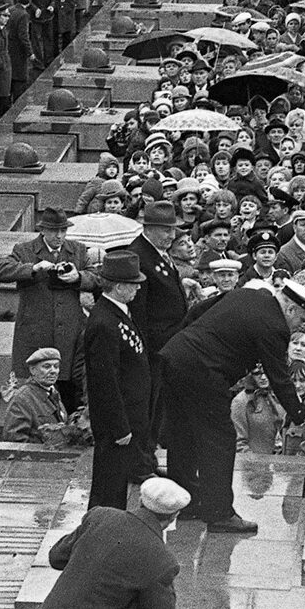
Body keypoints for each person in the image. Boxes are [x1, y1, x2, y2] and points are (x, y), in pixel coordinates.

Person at [159, 280, 305, 532]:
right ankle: (219, 513)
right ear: (292, 309)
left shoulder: (246, 295)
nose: (300, 326)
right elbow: (281, 380)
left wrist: (186, 342)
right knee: (219, 438)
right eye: (302, 318)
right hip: (204, 372)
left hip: (175, 357)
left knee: (182, 432)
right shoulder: (275, 326)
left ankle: (185, 502)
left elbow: (197, 311)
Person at [14, 477, 189, 609]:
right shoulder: (162, 559)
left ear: (140, 500)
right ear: (174, 516)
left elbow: (56, 557)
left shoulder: (100, 517)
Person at [0, 207, 98, 411]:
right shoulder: (24, 250)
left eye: (63, 231)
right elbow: (1, 271)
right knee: (34, 390)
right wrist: (33, 268)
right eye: (53, 231)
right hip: (36, 332)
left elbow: (97, 277)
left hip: (69, 335)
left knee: (70, 388)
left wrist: (78, 277)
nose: (59, 236)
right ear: (43, 230)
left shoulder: (77, 250)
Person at [126, 201, 187, 481]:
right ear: (148, 228)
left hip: (165, 347)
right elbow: (138, 313)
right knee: (145, 407)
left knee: (156, 407)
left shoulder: (159, 254)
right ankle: (138, 464)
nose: (171, 236)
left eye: (172, 230)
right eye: (165, 230)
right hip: (152, 349)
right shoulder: (140, 257)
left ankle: (147, 458)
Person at [84, 251, 150, 510]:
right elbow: (105, 381)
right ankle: (102, 528)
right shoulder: (104, 322)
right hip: (116, 421)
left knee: (117, 479)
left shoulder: (118, 313)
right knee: (109, 484)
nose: (138, 288)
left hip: (129, 413)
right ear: (120, 286)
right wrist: (119, 426)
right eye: (134, 283)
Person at [3, 348, 67, 444]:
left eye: (56, 366)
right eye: (47, 366)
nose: (53, 371)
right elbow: (14, 438)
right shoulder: (22, 398)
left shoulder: (53, 393)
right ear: (33, 370)